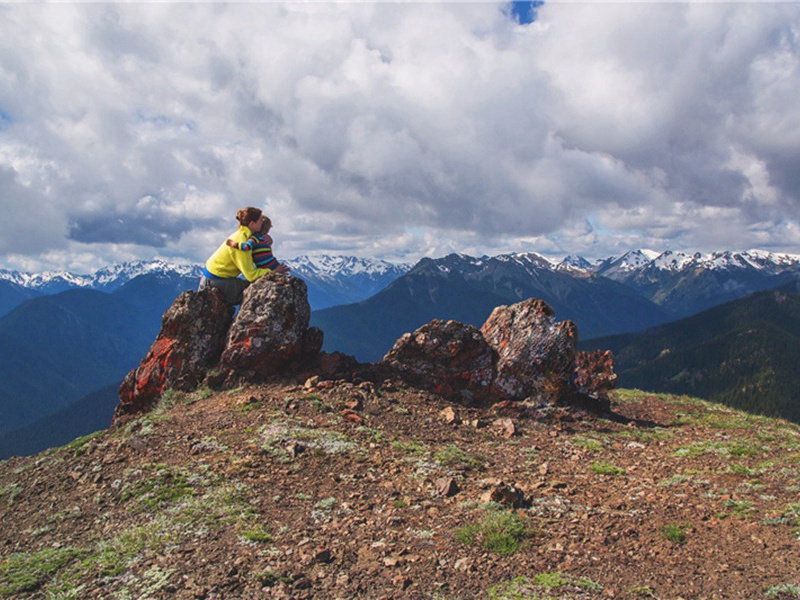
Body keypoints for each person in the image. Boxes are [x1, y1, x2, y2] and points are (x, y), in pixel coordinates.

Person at [198, 207, 286, 305]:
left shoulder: (244, 235)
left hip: (215, 279)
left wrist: (266, 243)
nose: (262, 222)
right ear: (252, 224)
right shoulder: (242, 241)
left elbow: (258, 254)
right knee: (259, 291)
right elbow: (251, 275)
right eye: (260, 220)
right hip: (214, 282)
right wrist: (273, 272)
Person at [225, 215, 290, 274]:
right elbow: (249, 247)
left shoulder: (255, 238)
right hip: (273, 265)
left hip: (267, 268)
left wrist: (232, 243)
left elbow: (246, 246)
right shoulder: (262, 239)